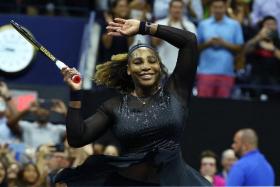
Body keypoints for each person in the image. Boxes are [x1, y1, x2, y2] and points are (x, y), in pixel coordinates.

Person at [55, 18, 210, 186]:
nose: (146, 66)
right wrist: (75, 93)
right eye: (138, 62)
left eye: (152, 60)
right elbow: (77, 138)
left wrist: (144, 27)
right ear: (129, 69)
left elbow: (189, 41)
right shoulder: (114, 106)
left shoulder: (176, 92)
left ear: (159, 66)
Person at [197, 0, 244, 98]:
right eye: (215, 7)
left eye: (220, 7)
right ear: (211, 8)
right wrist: (208, 43)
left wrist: (224, 43)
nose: (218, 10)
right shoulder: (203, 24)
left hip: (226, 72)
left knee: (224, 108)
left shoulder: (234, 25)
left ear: (225, 8)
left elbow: (240, 48)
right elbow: (196, 48)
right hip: (205, 72)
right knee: (203, 107)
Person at [152, 0, 197, 74]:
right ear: (169, 8)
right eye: (175, 7)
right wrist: (165, 29)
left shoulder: (189, 26)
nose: (177, 10)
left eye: (180, 8)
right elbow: (154, 43)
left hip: (183, 68)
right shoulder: (160, 24)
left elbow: (193, 47)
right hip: (163, 66)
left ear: (183, 9)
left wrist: (184, 30)